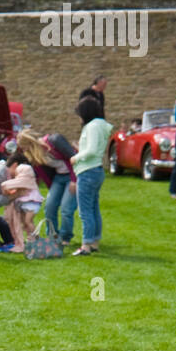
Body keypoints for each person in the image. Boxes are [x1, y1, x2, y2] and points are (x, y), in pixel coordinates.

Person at [70, 95, 113, 255]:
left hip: (88, 171)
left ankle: (86, 246)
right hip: (96, 170)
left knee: (85, 210)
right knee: (94, 208)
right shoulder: (100, 125)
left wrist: (76, 157)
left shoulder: (93, 126)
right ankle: (94, 242)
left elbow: (92, 150)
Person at [18, 129, 74, 243]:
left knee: (66, 209)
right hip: (58, 178)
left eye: (24, 147)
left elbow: (73, 159)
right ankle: (52, 236)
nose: (24, 151)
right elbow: (39, 175)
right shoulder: (35, 155)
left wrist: (74, 180)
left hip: (71, 176)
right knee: (49, 207)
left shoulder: (55, 141)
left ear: (30, 143)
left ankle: (65, 237)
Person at [1, 152, 42, 251]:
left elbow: (10, 184)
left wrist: (5, 186)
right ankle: (30, 239)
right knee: (25, 222)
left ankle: (36, 240)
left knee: (28, 221)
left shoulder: (26, 178)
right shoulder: (22, 181)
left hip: (32, 203)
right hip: (25, 203)